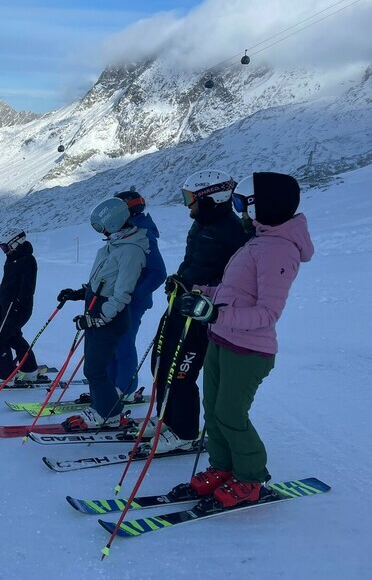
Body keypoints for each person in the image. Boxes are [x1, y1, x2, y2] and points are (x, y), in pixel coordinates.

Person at [176, 172, 312, 507]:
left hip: (249, 350)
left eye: (241, 204)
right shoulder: (259, 239)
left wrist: (216, 315)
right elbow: (234, 292)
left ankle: (250, 477)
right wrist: (199, 293)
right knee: (213, 411)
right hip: (222, 339)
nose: (238, 211)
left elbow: (267, 313)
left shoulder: (278, 250)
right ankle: (223, 467)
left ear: (262, 206)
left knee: (231, 414)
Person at [149, 170, 250, 452]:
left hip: (201, 312)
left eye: (190, 198)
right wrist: (179, 279)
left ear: (210, 198)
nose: (187, 205)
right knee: (161, 363)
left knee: (181, 371)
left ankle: (184, 433)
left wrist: (201, 291)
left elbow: (235, 281)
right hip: (181, 304)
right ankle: (167, 417)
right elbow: (192, 263)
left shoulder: (232, 231)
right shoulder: (202, 225)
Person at [58, 197, 148, 428]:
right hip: (97, 312)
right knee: (94, 368)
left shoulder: (131, 251)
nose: (102, 232)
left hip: (109, 318)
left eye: (102, 226)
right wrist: (79, 293)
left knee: (95, 369)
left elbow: (122, 294)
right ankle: (103, 407)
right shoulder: (112, 246)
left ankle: (108, 414)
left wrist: (98, 318)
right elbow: (102, 283)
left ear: (114, 222)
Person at [109, 190, 166, 396]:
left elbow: (158, 272)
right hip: (116, 299)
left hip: (131, 302)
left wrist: (134, 294)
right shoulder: (126, 231)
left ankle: (125, 388)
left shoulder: (143, 233)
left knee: (123, 342)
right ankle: (110, 385)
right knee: (112, 342)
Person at [0, 229, 43, 385]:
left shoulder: (27, 260)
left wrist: (18, 303)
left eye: (5, 247)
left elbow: (27, 287)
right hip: (8, 306)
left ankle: (5, 374)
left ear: (16, 243)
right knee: (14, 338)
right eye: (2, 248)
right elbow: (8, 283)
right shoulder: (11, 259)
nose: (4, 251)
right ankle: (29, 370)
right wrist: (0, 297)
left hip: (19, 309)